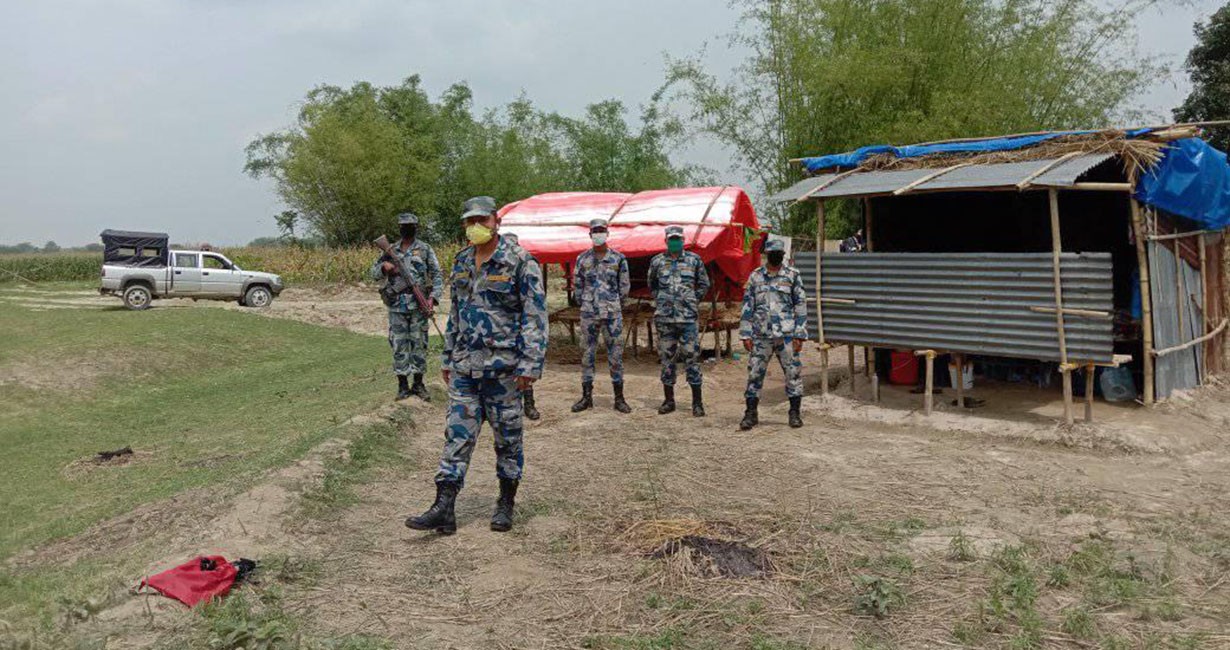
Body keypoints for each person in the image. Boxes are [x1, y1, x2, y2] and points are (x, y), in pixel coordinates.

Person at [405, 196, 548, 535]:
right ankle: (444, 507)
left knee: (508, 440)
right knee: (456, 437)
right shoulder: (462, 261)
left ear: (496, 221)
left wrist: (530, 363)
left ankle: (506, 503)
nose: (476, 227)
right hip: (466, 369)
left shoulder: (520, 261)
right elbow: (456, 312)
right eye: (470, 221)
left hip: (505, 371)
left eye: (482, 220)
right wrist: (448, 356)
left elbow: (535, 316)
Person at [370, 212, 442, 401]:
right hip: (396, 306)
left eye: (410, 225)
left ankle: (418, 384)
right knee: (399, 345)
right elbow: (373, 272)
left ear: (416, 227)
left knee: (419, 344)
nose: (407, 228)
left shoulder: (425, 249)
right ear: (399, 228)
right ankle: (402, 385)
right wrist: (384, 267)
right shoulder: (390, 250)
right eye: (403, 225)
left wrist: (432, 298)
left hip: (419, 306)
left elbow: (437, 275)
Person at [738, 238, 808, 430]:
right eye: (772, 253)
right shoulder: (755, 276)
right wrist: (745, 333)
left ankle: (794, 414)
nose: (776, 256)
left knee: (793, 373)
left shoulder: (793, 275)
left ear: (783, 255)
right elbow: (747, 305)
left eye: (779, 253)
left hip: (786, 335)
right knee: (754, 374)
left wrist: (800, 333)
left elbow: (800, 304)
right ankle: (751, 414)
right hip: (761, 335)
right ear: (766, 255)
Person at [647, 225, 711, 416]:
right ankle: (669, 401)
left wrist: (691, 300)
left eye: (678, 239)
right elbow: (653, 285)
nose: (675, 242)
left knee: (691, 357)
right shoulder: (657, 261)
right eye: (672, 239)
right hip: (665, 319)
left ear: (683, 240)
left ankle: (697, 403)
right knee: (667, 359)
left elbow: (703, 284)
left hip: (688, 319)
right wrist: (663, 300)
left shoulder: (694, 260)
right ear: (666, 241)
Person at [571, 218, 632, 413]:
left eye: (601, 230)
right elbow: (577, 287)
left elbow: (624, 288)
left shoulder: (618, 259)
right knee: (587, 354)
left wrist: (615, 304)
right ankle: (586, 397)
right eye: (595, 231)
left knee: (615, 356)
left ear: (607, 233)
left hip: (612, 314)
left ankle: (619, 398)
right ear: (590, 235)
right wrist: (586, 303)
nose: (598, 234)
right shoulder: (582, 259)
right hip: (589, 313)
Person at [502, 232, 540, 421]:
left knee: (524, 368)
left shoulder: (524, 264)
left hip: (520, 331)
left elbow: (532, 307)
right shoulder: (498, 267)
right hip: (503, 334)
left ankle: (530, 405)